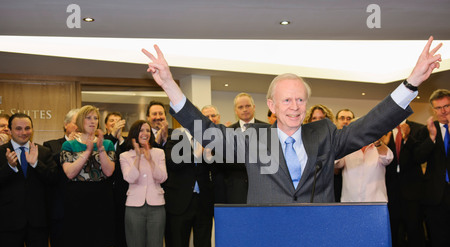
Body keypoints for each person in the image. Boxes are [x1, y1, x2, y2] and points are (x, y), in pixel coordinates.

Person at [142, 36, 441, 205]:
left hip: (317, 236)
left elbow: (370, 126)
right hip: (269, 237)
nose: (295, 107)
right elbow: (207, 133)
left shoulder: (324, 132)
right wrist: (170, 85)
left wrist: (412, 82)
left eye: (300, 100)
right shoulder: (253, 138)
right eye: (286, 100)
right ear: (271, 105)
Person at [60, 105, 116, 247]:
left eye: (95, 118)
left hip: (101, 198)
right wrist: (87, 151)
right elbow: (70, 172)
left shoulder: (107, 144)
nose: (93, 121)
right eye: (89, 118)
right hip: (77, 199)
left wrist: (99, 149)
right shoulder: (69, 145)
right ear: (81, 120)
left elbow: (109, 172)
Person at [0, 113, 58, 247]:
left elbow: (53, 180)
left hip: (38, 220)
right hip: (9, 222)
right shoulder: (1, 152)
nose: (23, 132)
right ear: (9, 131)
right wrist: (9, 167)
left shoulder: (43, 152)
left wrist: (36, 164)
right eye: (18, 128)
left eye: (27, 128)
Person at [163, 126, 216, 247]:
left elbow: (214, 165)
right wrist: (196, 153)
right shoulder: (174, 138)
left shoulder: (206, 138)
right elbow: (172, 162)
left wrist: (209, 155)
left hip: (203, 202)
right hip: (179, 203)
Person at [119, 120, 168, 247]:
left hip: (156, 208)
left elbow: (162, 177)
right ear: (134, 134)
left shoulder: (159, 152)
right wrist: (139, 157)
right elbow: (129, 178)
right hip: (134, 208)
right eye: (141, 130)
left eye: (147, 130)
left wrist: (150, 159)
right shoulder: (125, 156)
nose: (145, 133)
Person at [384, 120, 432, 247]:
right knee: (390, 241)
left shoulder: (418, 129)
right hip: (389, 194)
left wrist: (408, 137)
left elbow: (421, 157)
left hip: (413, 195)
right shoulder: (383, 128)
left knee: (416, 239)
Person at [414, 89, 450, 247]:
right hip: (436, 198)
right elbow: (418, 157)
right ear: (433, 110)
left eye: (446, 106)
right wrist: (432, 138)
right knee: (440, 244)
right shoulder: (429, 129)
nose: (443, 111)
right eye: (439, 108)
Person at [43, 108, 79, 247]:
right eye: (75, 121)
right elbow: (53, 170)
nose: (79, 126)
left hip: (84, 210)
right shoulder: (51, 145)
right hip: (61, 211)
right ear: (66, 125)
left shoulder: (89, 145)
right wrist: (71, 145)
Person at [103, 111, 129, 247]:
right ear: (106, 126)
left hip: (124, 201)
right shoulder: (103, 142)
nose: (115, 124)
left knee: (122, 244)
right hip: (104, 200)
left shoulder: (128, 145)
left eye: (118, 121)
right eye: (111, 122)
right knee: (101, 245)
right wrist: (112, 137)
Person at [225, 93, 268, 204]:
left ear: (254, 107)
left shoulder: (267, 129)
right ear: (235, 110)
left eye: (248, 106)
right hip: (236, 189)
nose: (245, 109)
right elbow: (226, 161)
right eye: (240, 107)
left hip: (263, 187)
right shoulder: (228, 132)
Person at [335, 137, 393, 202]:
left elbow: (388, 158)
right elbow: (336, 163)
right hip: (350, 203)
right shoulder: (348, 148)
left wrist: (378, 143)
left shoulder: (378, 148)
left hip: (375, 204)